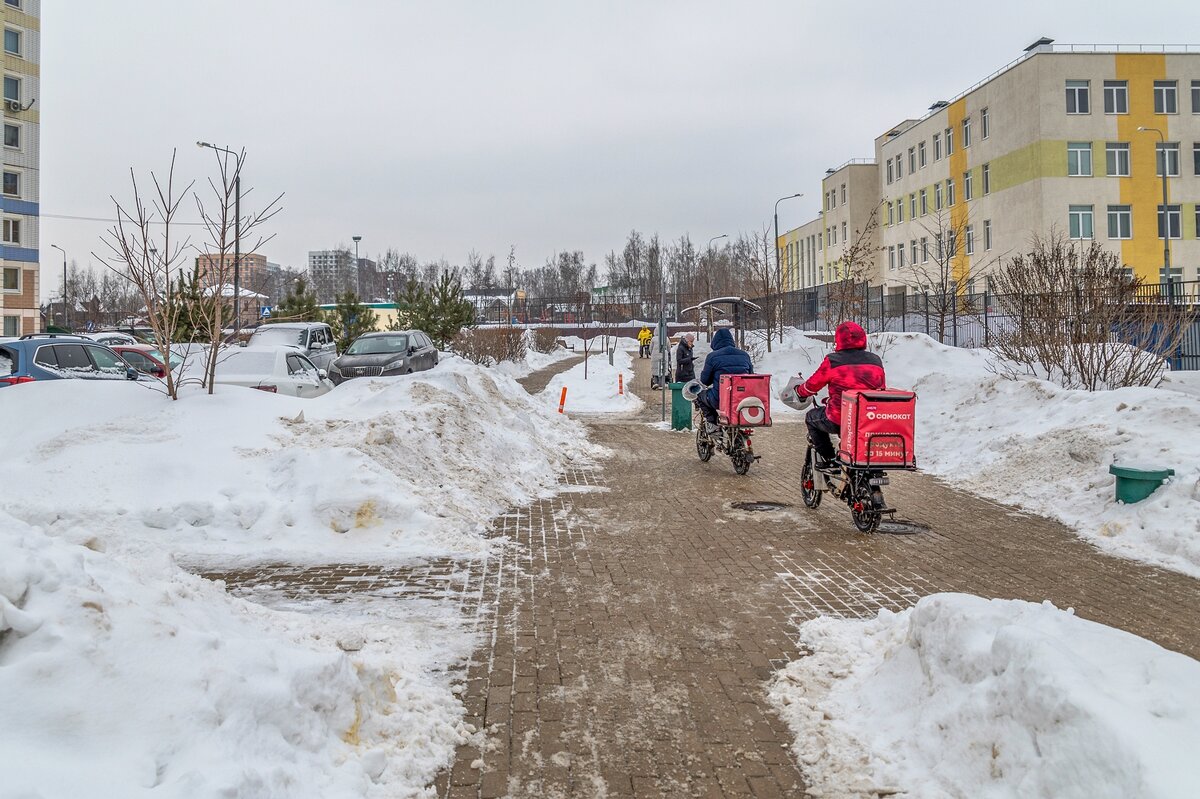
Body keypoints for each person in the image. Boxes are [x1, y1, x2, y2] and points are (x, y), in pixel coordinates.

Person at [792, 321, 885, 469]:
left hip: (840, 417)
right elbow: (881, 389)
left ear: (839, 340)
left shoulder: (833, 361)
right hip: (868, 418)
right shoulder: (875, 360)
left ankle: (828, 458)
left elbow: (812, 385)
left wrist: (800, 391)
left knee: (811, 418)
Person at [697, 327, 753, 433]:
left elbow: (704, 381)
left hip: (719, 400)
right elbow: (751, 376)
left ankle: (712, 423)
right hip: (742, 399)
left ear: (715, 342)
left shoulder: (712, 357)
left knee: (700, 395)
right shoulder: (744, 355)